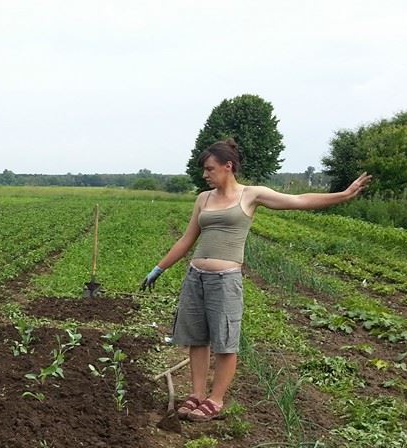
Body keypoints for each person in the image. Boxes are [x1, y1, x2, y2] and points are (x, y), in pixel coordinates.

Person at [139, 138, 370, 422]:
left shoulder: (250, 195)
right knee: (197, 339)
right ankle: (197, 394)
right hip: (195, 277)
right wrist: (159, 268)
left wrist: (342, 195)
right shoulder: (203, 198)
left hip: (225, 280)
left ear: (228, 166)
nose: (205, 174)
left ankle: (216, 399)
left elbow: (298, 201)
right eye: (204, 170)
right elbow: (187, 239)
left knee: (225, 340)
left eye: (210, 169)